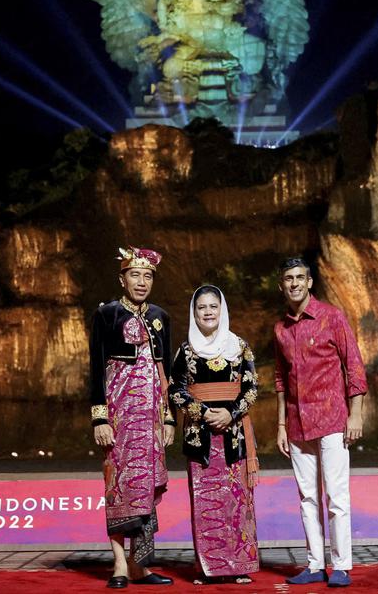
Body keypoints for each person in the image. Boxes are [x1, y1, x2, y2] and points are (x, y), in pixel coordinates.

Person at [273, 257, 367, 588]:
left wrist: (355, 414)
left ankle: (340, 565)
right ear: (282, 285)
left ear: (310, 282)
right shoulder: (280, 329)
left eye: (300, 277)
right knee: (307, 497)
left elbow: (353, 365)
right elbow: (281, 378)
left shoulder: (331, 317)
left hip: (331, 419)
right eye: (289, 279)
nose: (295, 283)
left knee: (336, 496)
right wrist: (282, 424)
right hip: (298, 423)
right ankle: (315, 564)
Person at [89, 247, 175, 589]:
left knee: (147, 487)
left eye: (148, 276)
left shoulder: (160, 317)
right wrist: (100, 419)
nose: (142, 282)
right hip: (119, 417)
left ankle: (142, 565)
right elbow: (96, 368)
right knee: (118, 487)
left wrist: (169, 419)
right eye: (135, 275)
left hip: (151, 419)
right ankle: (120, 565)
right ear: (122, 279)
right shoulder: (107, 315)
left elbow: (165, 372)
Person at [169, 285, 260, 585]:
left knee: (237, 500)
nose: (208, 312)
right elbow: (175, 390)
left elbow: (251, 389)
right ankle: (208, 568)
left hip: (234, 434)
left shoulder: (239, 347)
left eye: (213, 307)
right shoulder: (186, 350)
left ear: (222, 310)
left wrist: (229, 413)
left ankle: (238, 566)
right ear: (194, 313)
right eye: (201, 308)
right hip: (200, 435)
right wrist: (204, 412)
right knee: (206, 501)